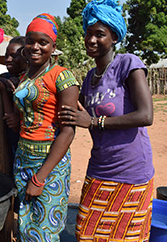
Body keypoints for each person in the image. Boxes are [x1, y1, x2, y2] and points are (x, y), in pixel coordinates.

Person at [58, 1, 154, 241]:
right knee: (87, 233)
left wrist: (94, 122)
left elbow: (146, 115)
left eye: (99, 34)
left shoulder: (128, 64)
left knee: (128, 237)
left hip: (131, 170)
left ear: (114, 37)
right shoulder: (90, 77)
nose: (91, 40)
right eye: (88, 34)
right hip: (100, 167)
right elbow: (72, 110)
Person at [11, 13, 80, 241]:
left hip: (49, 165)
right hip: (23, 159)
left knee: (44, 230)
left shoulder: (63, 78)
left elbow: (68, 131)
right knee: (24, 223)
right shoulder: (24, 77)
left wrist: (41, 178)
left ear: (53, 46)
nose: (35, 47)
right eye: (31, 41)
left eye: (43, 42)